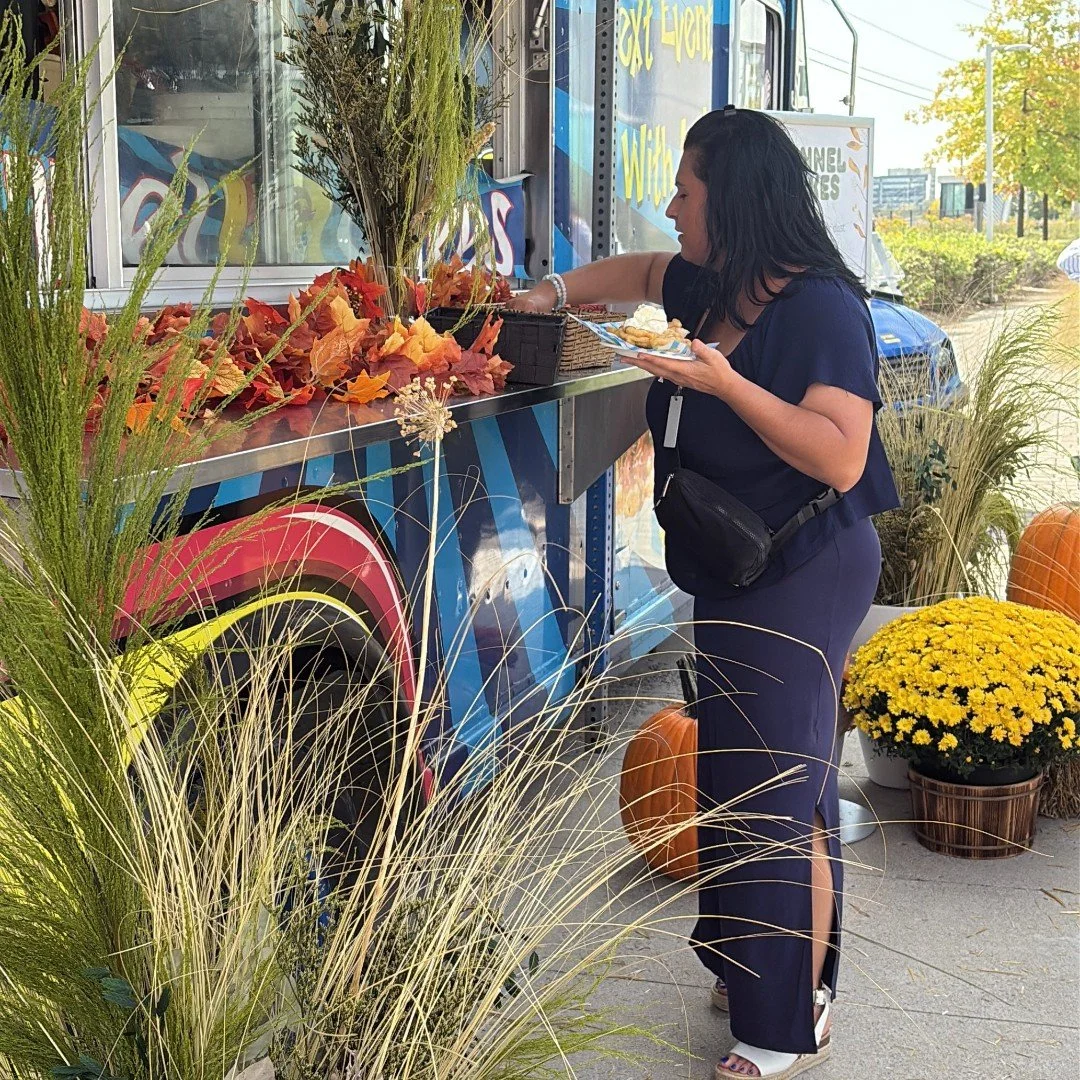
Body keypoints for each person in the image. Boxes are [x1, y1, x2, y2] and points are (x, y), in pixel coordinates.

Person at [508, 107, 899, 1079]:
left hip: (806, 568)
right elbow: (640, 275)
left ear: (736, 200)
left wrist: (724, 387)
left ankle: (780, 1025)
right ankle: (761, 963)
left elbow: (842, 457)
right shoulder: (714, 285)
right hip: (738, 566)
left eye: (687, 191)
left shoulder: (818, 310)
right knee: (749, 774)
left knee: (769, 790)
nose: (672, 206)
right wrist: (546, 293)